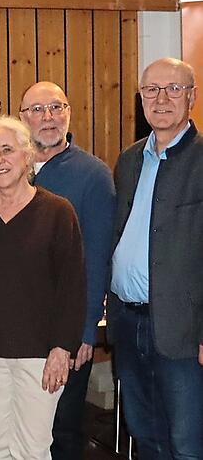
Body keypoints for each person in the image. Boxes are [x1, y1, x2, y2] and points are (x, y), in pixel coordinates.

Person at [0, 116, 86, 460]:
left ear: (27, 156)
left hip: (39, 356)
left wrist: (62, 349)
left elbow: (72, 288)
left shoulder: (58, 212)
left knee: (33, 449)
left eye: (7, 151)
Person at [109, 57, 203, 459]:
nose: (161, 98)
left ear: (192, 97)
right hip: (127, 324)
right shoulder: (129, 160)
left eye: (173, 89)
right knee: (145, 437)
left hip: (182, 331)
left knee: (184, 443)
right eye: (151, 90)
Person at [17, 81, 115, 460]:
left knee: (62, 431)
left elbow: (98, 254)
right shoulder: (8, 168)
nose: (48, 117)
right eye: (38, 110)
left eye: (56, 107)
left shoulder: (93, 175)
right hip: (14, 331)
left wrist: (86, 331)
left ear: (68, 112)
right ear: (23, 117)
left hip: (65, 330)